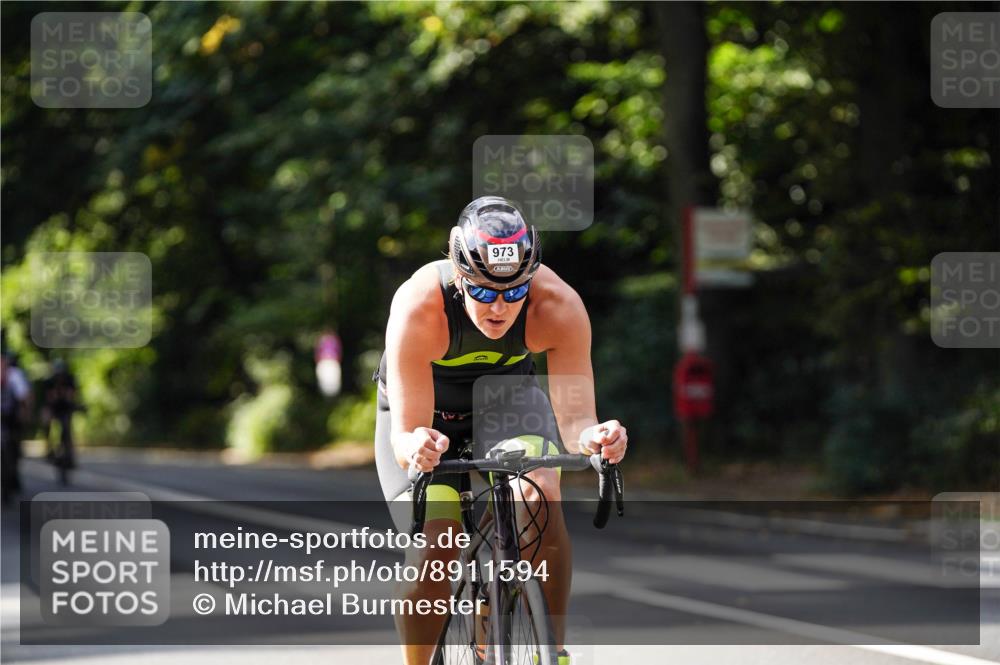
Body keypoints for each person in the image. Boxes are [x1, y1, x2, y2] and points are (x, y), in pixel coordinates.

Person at [374, 196, 628, 665]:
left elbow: (577, 421)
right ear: (460, 276)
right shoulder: (419, 306)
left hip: (506, 402)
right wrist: (416, 447)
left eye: (514, 292)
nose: (499, 307)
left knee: (540, 496)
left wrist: (597, 438)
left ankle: (551, 651)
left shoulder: (558, 305)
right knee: (437, 546)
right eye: (484, 291)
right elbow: (406, 435)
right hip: (426, 418)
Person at [1, 351, 31, 502]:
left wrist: (24, 415)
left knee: (13, 448)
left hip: (11, 419)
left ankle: (13, 477)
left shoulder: (15, 376)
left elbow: (23, 397)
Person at [41, 359, 79, 468]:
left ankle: (70, 454)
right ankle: (49, 449)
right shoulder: (49, 381)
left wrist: (68, 398)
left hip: (66, 407)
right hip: (53, 407)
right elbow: (48, 399)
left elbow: (72, 395)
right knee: (47, 423)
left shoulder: (69, 379)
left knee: (67, 429)